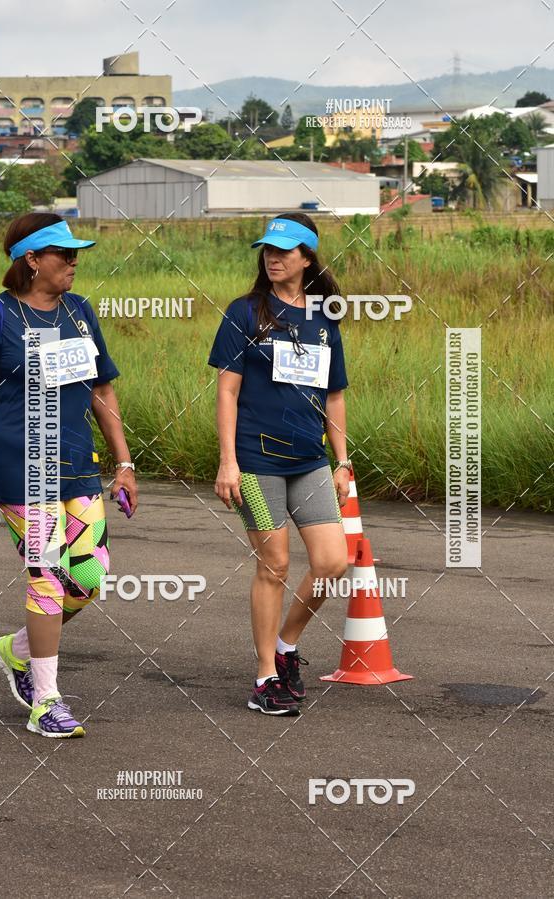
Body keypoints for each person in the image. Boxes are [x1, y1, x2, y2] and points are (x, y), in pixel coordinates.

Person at [0, 212, 137, 738]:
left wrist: (124, 463)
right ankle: (46, 701)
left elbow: (103, 390)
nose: (74, 261)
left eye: (76, 252)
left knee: (89, 577)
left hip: (77, 465)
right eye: (64, 253)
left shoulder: (80, 313)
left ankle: (16, 650)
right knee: (48, 578)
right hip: (18, 470)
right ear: (32, 260)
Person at [208, 213, 351, 716]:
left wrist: (342, 460)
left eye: (284, 251)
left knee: (333, 563)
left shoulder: (324, 316)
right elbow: (227, 391)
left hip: (309, 460)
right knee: (275, 565)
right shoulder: (244, 313)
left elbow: (333, 396)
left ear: (307, 258)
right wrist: (228, 462)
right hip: (255, 461)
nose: (272, 257)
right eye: (267, 249)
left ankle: (286, 646)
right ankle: (265, 677)